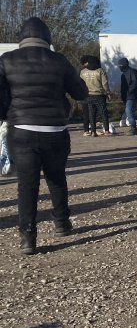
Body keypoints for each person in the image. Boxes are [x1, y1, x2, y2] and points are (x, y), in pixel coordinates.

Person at [0, 17, 89, 254]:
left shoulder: (6, 61)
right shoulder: (58, 61)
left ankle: (28, 237)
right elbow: (81, 92)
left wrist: (7, 114)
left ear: (21, 38)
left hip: (22, 132)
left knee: (27, 185)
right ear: (47, 39)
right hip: (55, 131)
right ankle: (62, 223)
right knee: (56, 178)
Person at [79, 55, 111, 136]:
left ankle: (93, 132)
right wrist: (108, 92)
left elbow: (80, 84)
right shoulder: (100, 71)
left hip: (88, 95)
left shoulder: (83, 72)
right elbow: (105, 83)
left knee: (91, 114)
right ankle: (106, 131)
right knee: (103, 113)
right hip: (99, 95)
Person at [117, 57, 137, 135]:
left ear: (124, 65)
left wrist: (129, 91)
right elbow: (122, 87)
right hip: (126, 96)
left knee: (128, 110)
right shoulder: (123, 75)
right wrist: (122, 95)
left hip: (131, 95)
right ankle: (126, 122)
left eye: (120, 65)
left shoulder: (132, 72)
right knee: (129, 110)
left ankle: (133, 128)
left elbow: (136, 83)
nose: (119, 67)